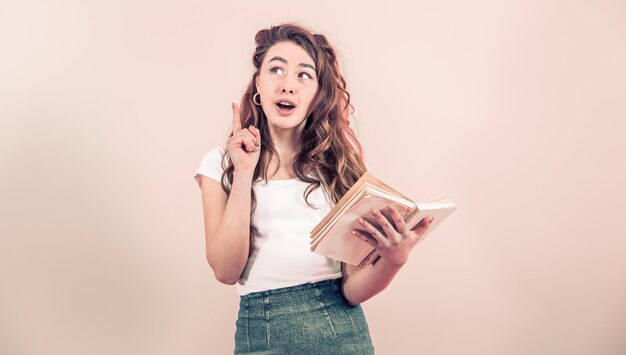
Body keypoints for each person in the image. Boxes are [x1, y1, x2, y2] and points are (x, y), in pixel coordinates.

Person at [194, 23, 434, 354]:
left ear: (318, 94)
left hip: (341, 331)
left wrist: (393, 260)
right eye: (276, 69)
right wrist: (245, 172)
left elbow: (352, 290)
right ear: (258, 86)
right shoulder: (221, 163)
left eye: (304, 75)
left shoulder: (340, 167)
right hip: (260, 332)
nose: (288, 84)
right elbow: (225, 270)